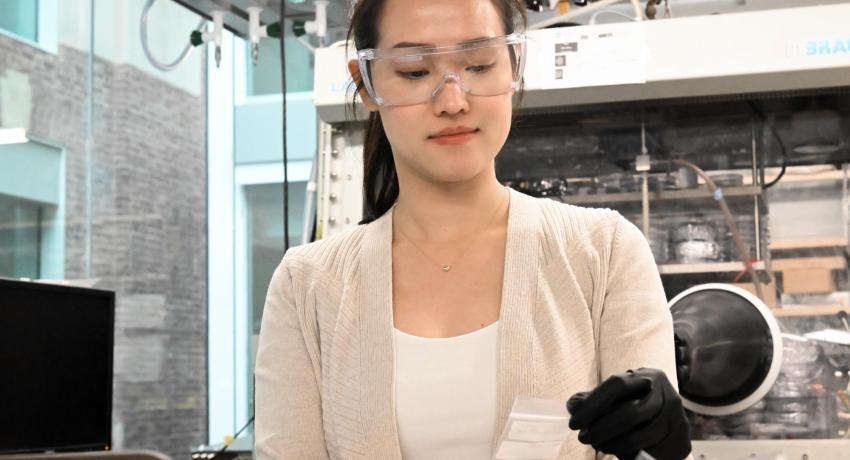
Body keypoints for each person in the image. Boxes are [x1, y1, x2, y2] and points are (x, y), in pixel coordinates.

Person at [254, 0, 692, 459]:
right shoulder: (308, 284)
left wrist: (660, 443)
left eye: (479, 65)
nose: (452, 101)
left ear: (513, 65)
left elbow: (646, 449)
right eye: (413, 71)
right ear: (366, 83)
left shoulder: (604, 251)